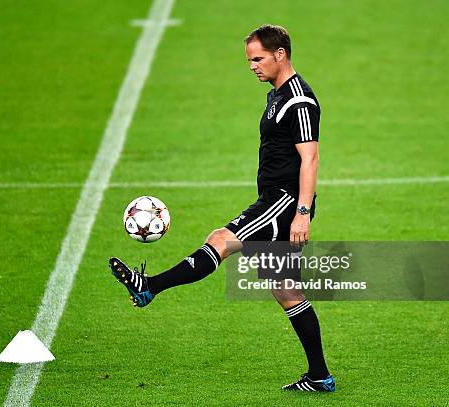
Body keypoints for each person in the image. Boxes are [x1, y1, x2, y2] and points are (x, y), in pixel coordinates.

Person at [108, 24, 335, 393]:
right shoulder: (276, 95)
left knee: (222, 240)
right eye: (249, 60)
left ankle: (149, 286)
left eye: (258, 58)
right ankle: (320, 376)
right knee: (287, 291)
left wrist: (302, 213)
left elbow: (310, 159)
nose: (252, 66)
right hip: (276, 200)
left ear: (280, 54)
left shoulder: (300, 101)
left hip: (283, 203)